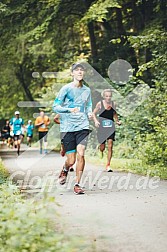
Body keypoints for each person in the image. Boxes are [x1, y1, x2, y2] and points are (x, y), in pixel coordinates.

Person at [53, 62, 92, 195]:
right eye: (77, 70)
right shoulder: (66, 89)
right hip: (68, 127)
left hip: (83, 126)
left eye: (82, 70)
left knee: (81, 152)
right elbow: (55, 106)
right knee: (71, 160)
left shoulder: (87, 90)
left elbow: (88, 106)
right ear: (72, 73)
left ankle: (77, 184)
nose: (80, 72)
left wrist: (90, 113)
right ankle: (65, 168)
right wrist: (69, 110)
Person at [93, 89, 121, 172]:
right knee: (102, 147)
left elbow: (115, 114)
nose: (108, 98)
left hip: (110, 127)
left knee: (110, 145)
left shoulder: (113, 104)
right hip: (101, 127)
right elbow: (94, 113)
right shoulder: (100, 104)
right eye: (106, 96)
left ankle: (108, 165)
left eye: (109, 96)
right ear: (104, 96)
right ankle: (100, 148)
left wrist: (117, 121)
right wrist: (96, 121)